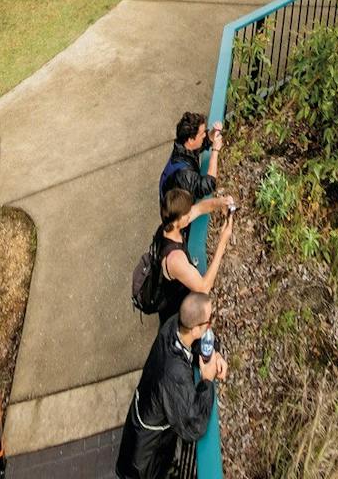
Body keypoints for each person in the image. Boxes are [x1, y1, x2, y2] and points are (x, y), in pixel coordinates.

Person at [116, 291, 225, 478]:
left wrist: (215, 354)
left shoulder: (173, 324)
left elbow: (198, 341)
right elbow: (193, 425)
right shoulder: (174, 374)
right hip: (146, 454)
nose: (212, 324)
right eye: (209, 320)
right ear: (196, 329)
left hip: (142, 422)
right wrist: (206, 380)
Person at [149, 187, 235, 323]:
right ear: (177, 220)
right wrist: (222, 243)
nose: (190, 214)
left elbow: (200, 208)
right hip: (176, 311)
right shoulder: (175, 259)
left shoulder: (169, 226)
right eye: (187, 214)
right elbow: (204, 288)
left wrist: (221, 202)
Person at [157, 112, 232, 214]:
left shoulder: (183, 147)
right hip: (177, 215)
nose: (205, 134)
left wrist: (213, 133)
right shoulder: (185, 174)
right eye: (202, 134)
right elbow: (207, 185)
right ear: (191, 140)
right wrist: (215, 151)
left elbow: (202, 142)